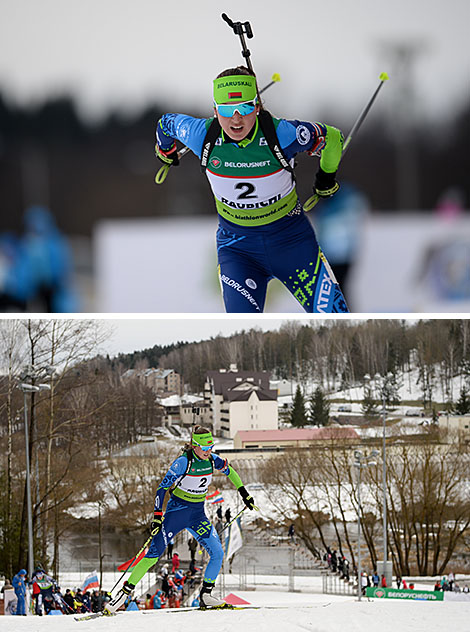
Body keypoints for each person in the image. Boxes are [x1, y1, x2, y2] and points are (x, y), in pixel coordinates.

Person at [155, 66, 349, 314]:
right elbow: (165, 124)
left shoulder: (282, 133)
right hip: (239, 250)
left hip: (292, 244)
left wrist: (325, 180)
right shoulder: (200, 135)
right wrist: (166, 151)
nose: (236, 119)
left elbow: (333, 138)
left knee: (337, 319)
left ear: (257, 107)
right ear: (215, 111)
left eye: (245, 108)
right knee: (241, 333)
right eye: (226, 110)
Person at [105, 426, 256, 613]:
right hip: (176, 514)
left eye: (210, 447)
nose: (208, 451)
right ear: (194, 446)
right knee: (153, 554)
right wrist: (157, 516)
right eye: (204, 447)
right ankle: (123, 594)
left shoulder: (212, 460)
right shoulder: (183, 462)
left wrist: (244, 493)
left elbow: (231, 472)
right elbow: (161, 489)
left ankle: (206, 595)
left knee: (217, 553)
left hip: (197, 516)